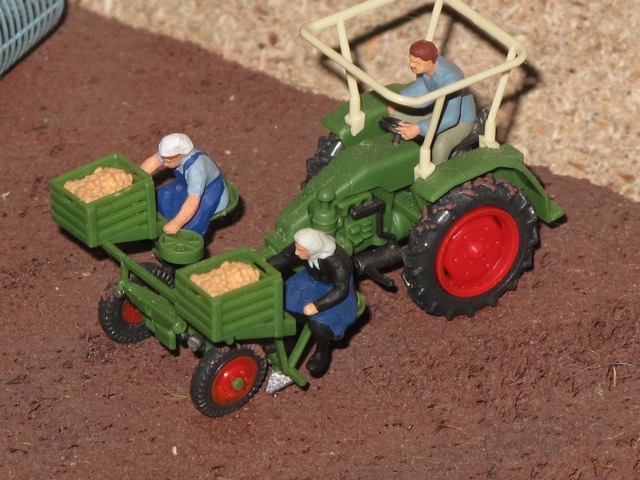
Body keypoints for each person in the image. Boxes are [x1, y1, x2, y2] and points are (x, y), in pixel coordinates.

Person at [268, 228, 358, 376]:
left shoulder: (337, 261)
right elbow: (285, 256)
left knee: (320, 324)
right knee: (282, 298)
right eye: (297, 248)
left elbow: (341, 290)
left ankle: (322, 351)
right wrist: (264, 268)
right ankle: (290, 339)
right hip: (310, 281)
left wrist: (317, 306)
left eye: (301, 250)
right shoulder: (302, 246)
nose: (296, 253)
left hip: (333, 292)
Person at [388, 39, 476, 165]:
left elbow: (451, 117)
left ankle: (436, 177)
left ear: (430, 62)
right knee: (396, 114)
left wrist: (419, 128)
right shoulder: (427, 70)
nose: (411, 65)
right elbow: (423, 85)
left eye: (416, 62)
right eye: (410, 60)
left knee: (440, 146)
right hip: (436, 107)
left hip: (459, 120)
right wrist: (401, 100)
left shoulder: (452, 79)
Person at [141, 133, 229, 236]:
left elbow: (193, 199)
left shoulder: (196, 169)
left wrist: (177, 223)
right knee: (159, 198)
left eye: (168, 160)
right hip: (186, 184)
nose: (164, 163)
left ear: (182, 154)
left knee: (190, 225)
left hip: (209, 192)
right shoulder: (173, 157)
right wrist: (136, 180)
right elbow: (153, 161)